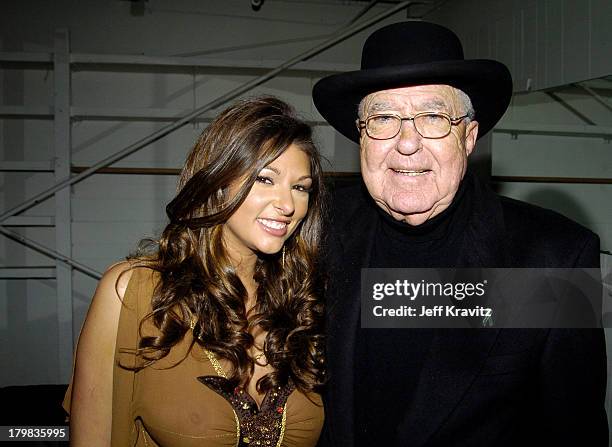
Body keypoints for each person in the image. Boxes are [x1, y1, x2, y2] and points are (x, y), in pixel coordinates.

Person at [312, 21, 607, 446]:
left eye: (433, 117)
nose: (406, 143)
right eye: (382, 118)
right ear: (361, 137)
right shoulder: (317, 228)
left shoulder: (554, 257)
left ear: (468, 137)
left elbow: (575, 431)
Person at [63, 96, 326, 446]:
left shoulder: (302, 304)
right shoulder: (135, 292)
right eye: (265, 179)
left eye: (300, 187)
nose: (288, 205)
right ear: (218, 181)